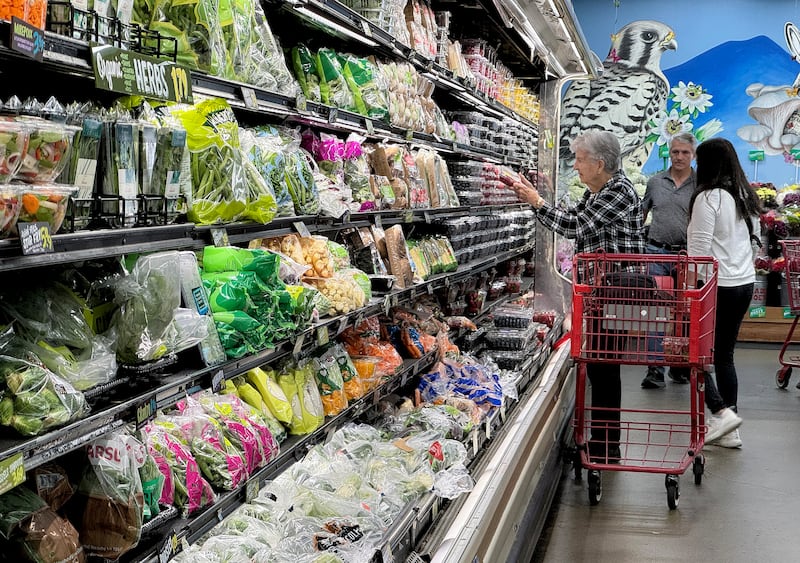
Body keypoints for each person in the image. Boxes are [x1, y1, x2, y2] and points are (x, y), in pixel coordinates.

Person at [512, 130, 646, 462]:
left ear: (600, 163)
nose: (576, 166)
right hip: (602, 293)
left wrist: (537, 203)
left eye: (581, 159)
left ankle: (605, 447)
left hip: (616, 295)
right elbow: (577, 220)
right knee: (601, 367)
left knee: (604, 368)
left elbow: (577, 226)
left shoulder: (619, 192)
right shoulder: (599, 191)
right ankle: (601, 443)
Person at [687, 137, 759, 448]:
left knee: (690, 355)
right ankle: (730, 427)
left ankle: (721, 412)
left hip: (717, 286)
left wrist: (690, 294)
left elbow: (699, 253)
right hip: (744, 282)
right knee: (724, 355)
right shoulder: (743, 196)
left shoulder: (709, 199)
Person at [641, 132, 697, 389]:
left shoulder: (701, 184)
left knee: (687, 313)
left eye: (685, 152)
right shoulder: (655, 183)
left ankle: (680, 364)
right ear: (669, 153)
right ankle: (655, 369)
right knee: (657, 312)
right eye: (675, 152)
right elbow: (641, 214)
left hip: (688, 256)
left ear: (693, 155)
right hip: (657, 252)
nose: (679, 157)